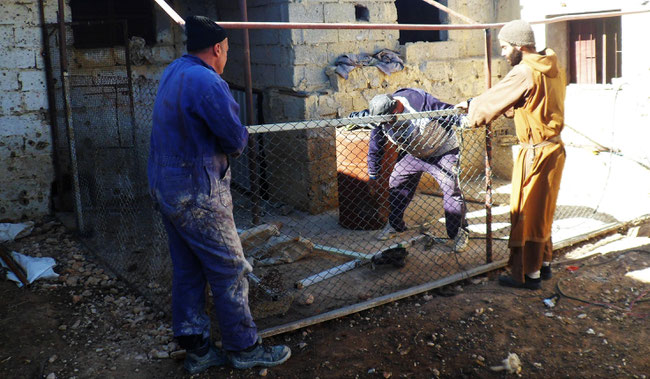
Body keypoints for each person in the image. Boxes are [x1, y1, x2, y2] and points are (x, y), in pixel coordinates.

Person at [147, 16, 290, 373]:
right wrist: (238, 137)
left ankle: (197, 349)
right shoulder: (208, 81)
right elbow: (234, 138)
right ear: (217, 49)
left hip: (166, 187)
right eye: (226, 51)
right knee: (230, 268)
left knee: (188, 268)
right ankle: (245, 348)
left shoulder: (174, 71)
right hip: (196, 191)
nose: (225, 57)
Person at [456, 20, 566, 290]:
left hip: (535, 153)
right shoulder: (551, 65)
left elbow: (496, 98)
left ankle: (528, 275)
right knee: (542, 211)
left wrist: (470, 111)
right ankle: (544, 264)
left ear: (519, 46)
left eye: (505, 47)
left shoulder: (524, 71)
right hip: (554, 148)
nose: (504, 53)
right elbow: (525, 101)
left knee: (525, 212)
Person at [366, 88, 469, 253]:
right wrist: (373, 172)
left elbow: (447, 111)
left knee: (451, 188)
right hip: (414, 153)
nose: (386, 125)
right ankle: (395, 225)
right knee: (396, 182)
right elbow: (376, 145)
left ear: (397, 108)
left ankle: (458, 232)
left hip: (442, 150)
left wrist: (463, 119)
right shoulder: (381, 117)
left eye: (388, 120)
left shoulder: (418, 101)